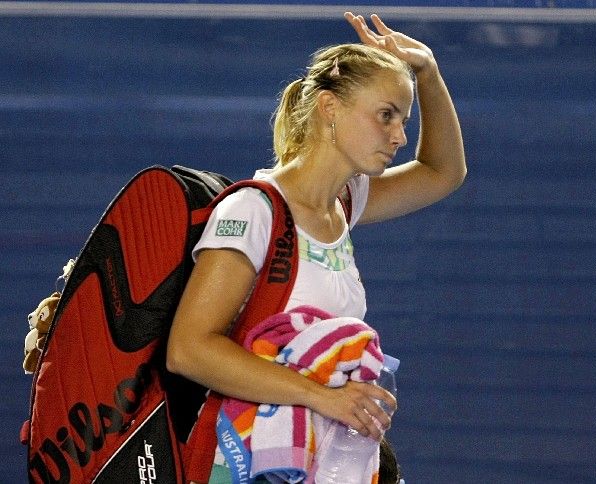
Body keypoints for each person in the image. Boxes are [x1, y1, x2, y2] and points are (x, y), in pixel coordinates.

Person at [167, 10, 466, 480]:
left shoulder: (345, 204)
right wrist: (323, 397)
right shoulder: (252, 211)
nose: (400, 136)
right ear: (329, 108)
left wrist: (427, 70)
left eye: (402, 119)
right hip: (242, 462)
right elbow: (188, 349)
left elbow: (442, 172)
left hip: (316, 458)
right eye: (386, 115)